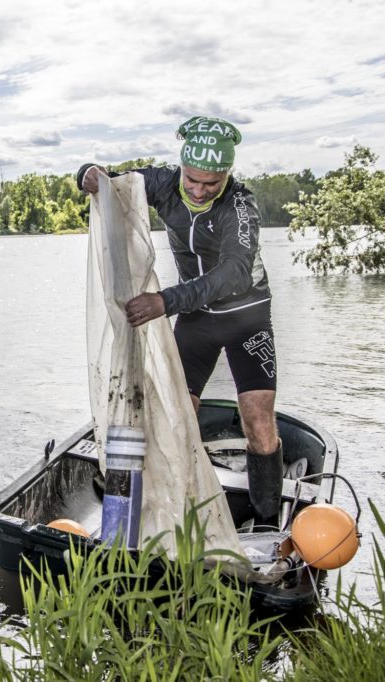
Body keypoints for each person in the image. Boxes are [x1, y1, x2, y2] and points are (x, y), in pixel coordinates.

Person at [77, 115, 283, 528]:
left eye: (211, 183)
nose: (199, 190)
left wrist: (164, 301)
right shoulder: (163, 183)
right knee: (177, 414)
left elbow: (234, 274)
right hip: (198, 319)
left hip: (247, 318)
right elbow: (111, 181)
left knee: (257, 421)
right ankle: (184, 513)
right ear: (182, 167)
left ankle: (267, 522)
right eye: (192, 179)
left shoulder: (241, 206)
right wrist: (88, 175)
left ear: (227, 174)